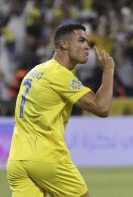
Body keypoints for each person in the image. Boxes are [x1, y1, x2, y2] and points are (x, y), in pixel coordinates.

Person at [7, 24, 115, 197]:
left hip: (17, 159)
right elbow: (102, 108)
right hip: (46, 157)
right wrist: (108, 71)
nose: (87, 46)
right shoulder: (59, 74)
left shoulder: (36, 71)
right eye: (81, 40)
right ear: (64, 44)